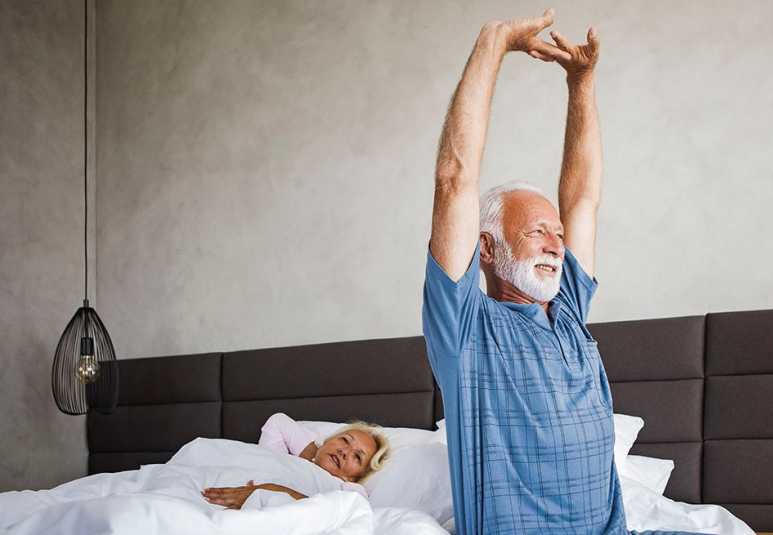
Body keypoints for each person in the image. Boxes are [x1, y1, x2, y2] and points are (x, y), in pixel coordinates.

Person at [423, 8, 702, 535]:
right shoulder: (465, 330)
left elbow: (583, 199)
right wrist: (494, 43)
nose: (557, 246)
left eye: (556, 233)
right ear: (486, 248)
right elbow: (454, 178)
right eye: (536, 233)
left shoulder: (569, 310)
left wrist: (581, 83)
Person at [202, 413, 389, 509]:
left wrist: (272, 492)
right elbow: (278, 421)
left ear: (355, 477)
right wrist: (316, 454)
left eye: (357, 457)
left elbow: (341, 514)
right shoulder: (282, 458)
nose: (344, 451)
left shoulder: (348, 490)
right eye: (344, 440)